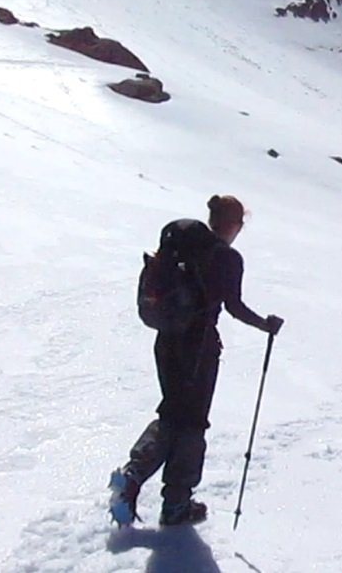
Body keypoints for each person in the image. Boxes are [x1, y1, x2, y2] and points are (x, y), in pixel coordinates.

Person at [109, 195, 284, 527]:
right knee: (191, 423)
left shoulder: (183, 247)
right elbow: (233, 306)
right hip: (199, 349)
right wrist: (266, 325)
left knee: (173, 411)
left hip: (167, 340)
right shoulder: (227, 258)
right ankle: (172, 502)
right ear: (233, 224)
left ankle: (135, 478)